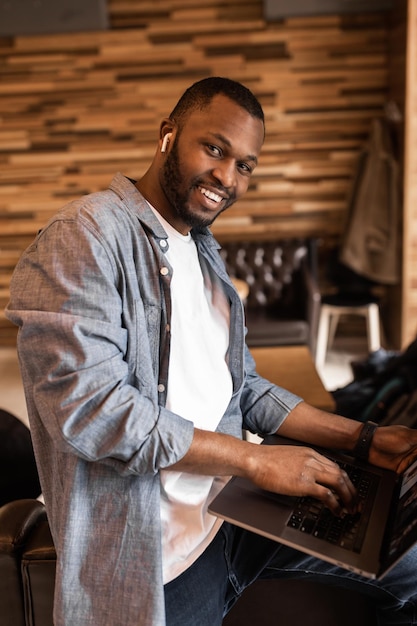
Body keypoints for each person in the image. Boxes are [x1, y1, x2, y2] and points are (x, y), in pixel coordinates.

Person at [5, 76, 417, 626]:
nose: (227, 176)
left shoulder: (203, 252)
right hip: (157, 558)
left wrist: (363, 437)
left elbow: (241, 386)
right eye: (215, 148)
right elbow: (93, 412)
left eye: (244, 164)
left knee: (407, 560)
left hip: (234, 513)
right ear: (168, 135)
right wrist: (256, 458)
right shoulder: (83, 237)